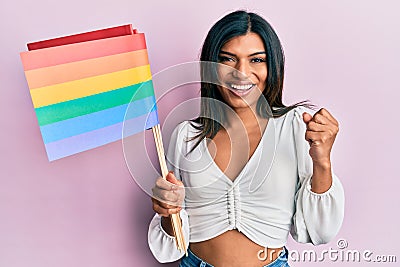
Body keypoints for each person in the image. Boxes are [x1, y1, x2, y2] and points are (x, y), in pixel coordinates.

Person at [148, 10, 345, 267]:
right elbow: (173, 244)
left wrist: (323, 161)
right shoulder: (186, 136)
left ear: (272, 66)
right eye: (228, 59)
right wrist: (167, 211)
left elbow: (321, 231)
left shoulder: (295, 127)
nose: (241, 73)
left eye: (256, 60)